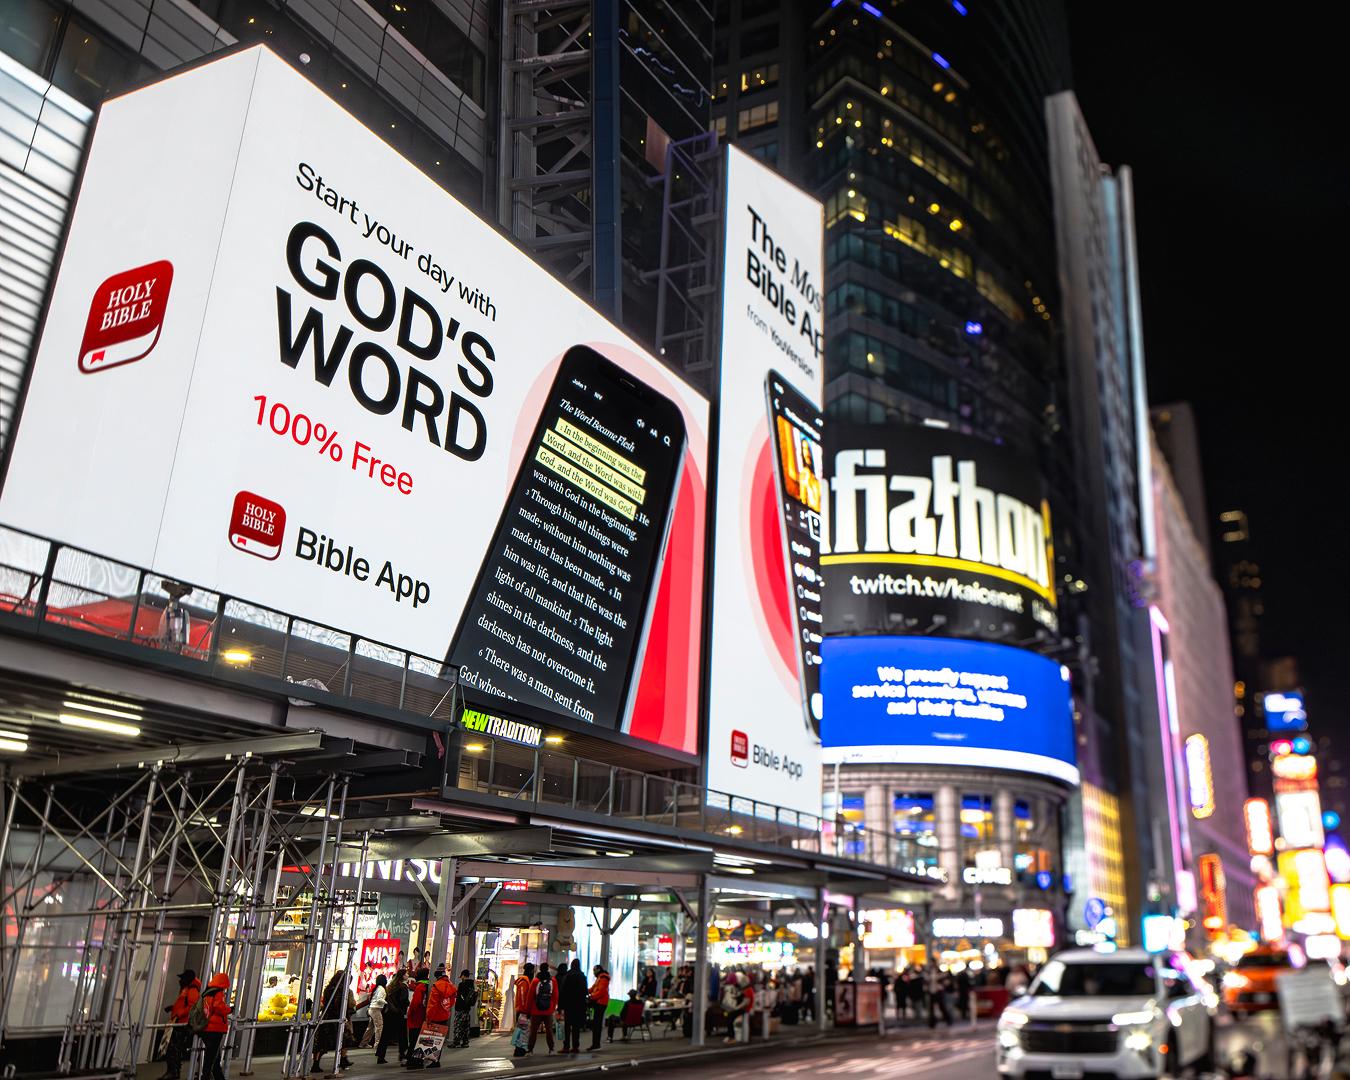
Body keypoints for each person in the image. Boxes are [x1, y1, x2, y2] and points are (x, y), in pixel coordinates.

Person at [160, 968, 200, 1080]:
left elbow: (192, 1006)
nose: (180, 980)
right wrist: (173, 1008)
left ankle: (173, 1072)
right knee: (173, 1048)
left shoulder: (192, 989)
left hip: (182, 1024)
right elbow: (185, 1004)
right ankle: (173, 1072)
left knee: (173, 1048)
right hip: (179, 1022)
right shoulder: (187, 988)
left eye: (182, 978)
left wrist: (178, 1014)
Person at [314, 972, 354, 1073]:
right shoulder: (342, 990)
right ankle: (343, 1060)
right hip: (337, 1018)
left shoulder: (328, 989)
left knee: (322, 1042)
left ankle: (316, 1063)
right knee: (344, 1039)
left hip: (326, 1017)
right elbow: (341, 1005)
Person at [198, 972, 232, 1080]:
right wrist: (229, 1009)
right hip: (215, 1028)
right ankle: (206, 1076)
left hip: (205, 1027)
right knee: (212, 1055)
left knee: (213, 1055)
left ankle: (217, 1076)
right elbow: (218, 1007)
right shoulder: (218, 993)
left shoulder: (206, 992)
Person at [377, 970, 409, 1064]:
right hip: (398, 1014)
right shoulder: (403, 987)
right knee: (402, 1035)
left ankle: (380, 1056)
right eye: (406, 974)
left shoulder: (390, 987)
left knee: (385, 1035)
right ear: (402, 976)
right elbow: (403, 1000)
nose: (407, 975)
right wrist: (407, 1004)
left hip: (389, 1013)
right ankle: (402, 1054)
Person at [527, 961, 557, 1054]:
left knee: (533, 1031)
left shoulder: (535, 981)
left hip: (536, 1010)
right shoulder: (553, 980)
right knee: (549, 1030)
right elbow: (555, 996)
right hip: (548, 1010)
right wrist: (552, 1008)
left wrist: (528, 1010)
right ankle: (551, 1049)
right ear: (548, 969)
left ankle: (530, 1049)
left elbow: (530, 996)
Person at [560, 958, 588, 1054]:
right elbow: (585, 991)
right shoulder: (582, 976)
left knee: (567, 1027)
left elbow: (562, 991)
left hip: (569, 1005)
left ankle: (566, 1046)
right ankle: (575, 1046)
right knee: (576, 1027)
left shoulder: (568, 975)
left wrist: (561, 1006)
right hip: (579, 1005)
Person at [404, 967, 429, 1069]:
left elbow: (415, 1003)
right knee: (420, 1041)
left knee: (414, 1040)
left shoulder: (420, 987)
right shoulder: (428, 985)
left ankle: (412, 1061)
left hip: (416, 1017)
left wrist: (410, 1013)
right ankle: (419, 1060)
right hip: (424, 1016)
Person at [511, 963, 535, 1058]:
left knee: (523, 1030)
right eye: (533, 970)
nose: (533, 973)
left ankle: (520, 1049)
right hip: (523, 1011)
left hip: (522, 1010)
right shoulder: (524, 982)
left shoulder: (525, 981)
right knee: (523, 1030)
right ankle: (519, 1050)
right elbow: (522, 997)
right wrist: (526, 1010)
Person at [359, 974, 388, 1050]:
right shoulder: (382, 989)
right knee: (379, 1027)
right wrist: (386, 1002)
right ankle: (377, 1045)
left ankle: (364, 1043)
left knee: (370, 1027)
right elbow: (379, 999)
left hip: (371, 1009)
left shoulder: (377, 988)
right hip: (376, 1009)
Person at [449, 969, 476, 1049]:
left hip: (460, 1008)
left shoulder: (462, 985)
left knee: (458, 1025)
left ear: (463, 975)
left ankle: (456, 1042)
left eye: (462, 976)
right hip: (467, 1009)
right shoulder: (471, 985)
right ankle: (465, 1042)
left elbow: (459, 996)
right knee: (465, 1026)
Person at [586, 965, 610, 1051]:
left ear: (599, 969)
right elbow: (594, 988)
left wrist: (591, 997)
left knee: (597, 1024)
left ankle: (596, 1044)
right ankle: (595, 1044)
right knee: (596, 1024)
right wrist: (585, 991)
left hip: (601, 1003)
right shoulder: (600, 977)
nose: (593, 972)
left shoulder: (603, 978)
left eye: (594, 970)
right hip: (599, 1002)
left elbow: (601, 991)